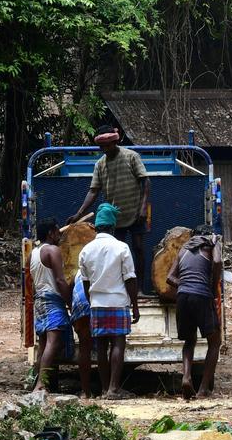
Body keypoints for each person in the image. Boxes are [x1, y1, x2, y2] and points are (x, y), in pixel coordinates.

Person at [67, 126, 150, 290]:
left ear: (115, 141)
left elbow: (145, 182)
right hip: (114, 217)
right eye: (102, 146)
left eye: (108, 145)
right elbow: (93, 190)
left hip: (135, 212)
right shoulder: (100, 164)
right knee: (116, 254)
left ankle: (140, 289)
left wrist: (143, 208)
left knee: (139, 248)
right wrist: (79, 213)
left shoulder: (131, 156)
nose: (105, 149)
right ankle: (121, 288)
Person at [77, 203, 140, 400]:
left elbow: (85, 282)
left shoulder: (86, 250)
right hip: (118, 301)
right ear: (113, 227)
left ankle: (105, 389)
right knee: (118, 343)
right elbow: (130, 279)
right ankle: (114, 389)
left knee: (102, 347)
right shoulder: (122, 247)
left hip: (97, 303)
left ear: (96, 227)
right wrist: (135, 304)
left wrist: (92, 301)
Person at [166, 225, 223, 400]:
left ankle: (186, 377)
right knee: (215, 342)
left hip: (183, 296)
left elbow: (169, 277)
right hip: (202, 295)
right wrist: (216, 244)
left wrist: (185, 284)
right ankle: (203, 388)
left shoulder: (184, 249)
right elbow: (217, 262)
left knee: (189, 341)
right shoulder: (210, 246)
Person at [30, 219, 73, 392]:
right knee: (53, 342)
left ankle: (37, 382)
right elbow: (60, 280)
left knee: (43, 344)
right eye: (57, 231)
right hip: (52, 300)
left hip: (39, 299)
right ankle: (41, 384)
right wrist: (70, 303)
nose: (59, 234)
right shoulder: (52, 250)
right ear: (50, 233)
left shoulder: (33, 253)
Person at [70, 272, 94, 398]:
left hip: (81, 305)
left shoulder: (79, 272)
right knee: (104, 344)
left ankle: (86, 391)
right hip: (98, 301)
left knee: (84, 347)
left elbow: (70, 288)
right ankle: (108, 388)